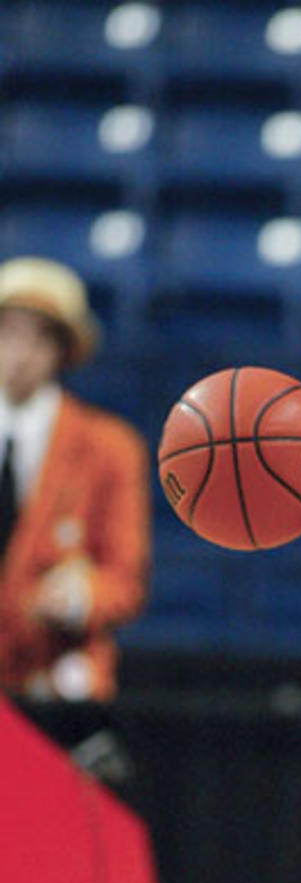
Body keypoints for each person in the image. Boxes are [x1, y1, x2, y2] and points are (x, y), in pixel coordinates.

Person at [0, 256, 150, 744]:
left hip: (57, 691)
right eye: (8, 332)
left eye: (40, 336)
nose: (20, 352)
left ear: (63, 350)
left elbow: (125, 580)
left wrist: (80, 596)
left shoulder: (109, 447)